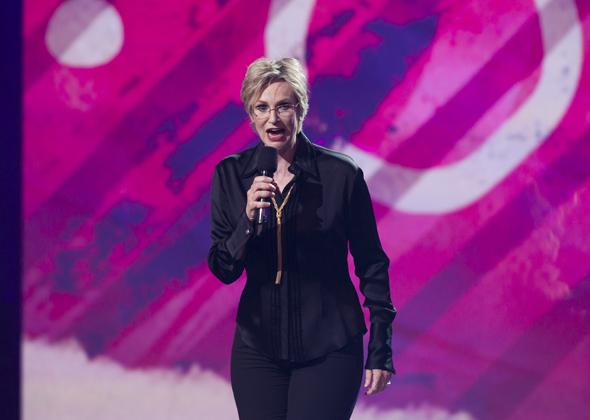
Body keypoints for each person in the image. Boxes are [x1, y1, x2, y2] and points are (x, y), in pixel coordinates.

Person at [208, 57, 396, 420]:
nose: (273, 119)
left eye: (283, 106)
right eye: (262, 107)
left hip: (329, 345)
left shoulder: (340, 174)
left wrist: (381, 346)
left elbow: (372, 262)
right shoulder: (231, 174)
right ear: (250, 114)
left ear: (301, 109)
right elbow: (223, 268)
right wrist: (246, 220)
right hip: (258, 348)